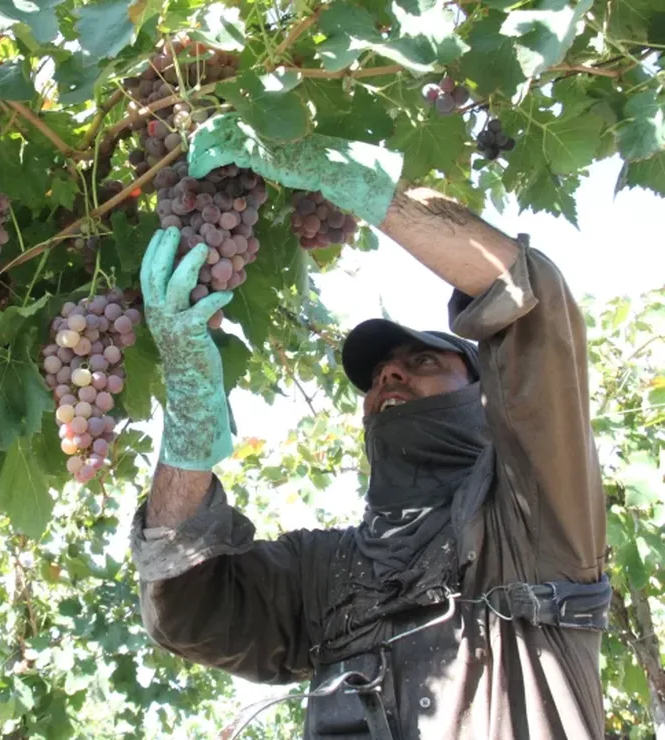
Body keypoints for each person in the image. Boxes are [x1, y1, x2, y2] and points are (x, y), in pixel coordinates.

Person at [131, 185, 610, 739]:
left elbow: (530, 301)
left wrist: (360, 184)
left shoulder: (531, 517)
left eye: (423, 361)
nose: (389, 376)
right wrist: (189, 415)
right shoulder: (323, 571)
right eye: (379, 377)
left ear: (483, 397)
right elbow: (187, 601)